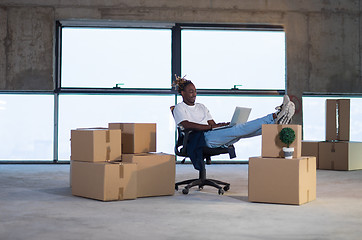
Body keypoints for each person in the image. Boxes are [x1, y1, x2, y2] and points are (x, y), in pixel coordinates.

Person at [172, 75, 295, 149]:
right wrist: (210, 127)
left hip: (212, 134)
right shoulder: (179, 108)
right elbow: (186, 125)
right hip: (201, 138)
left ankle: (276, 123)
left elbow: (212, 124)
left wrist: (220, 126)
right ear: (182, 93)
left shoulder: (202, 106)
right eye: (191, 91)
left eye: (195, 91)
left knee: (241, 131)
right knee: (240, 129)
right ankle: (275, 116)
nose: (194, 94)